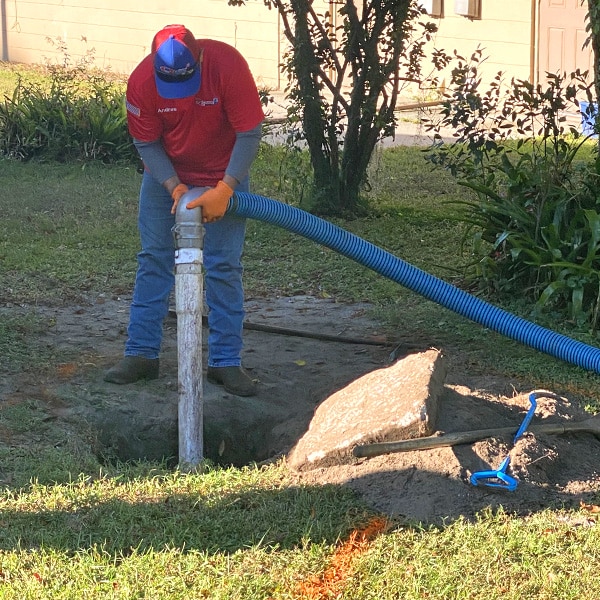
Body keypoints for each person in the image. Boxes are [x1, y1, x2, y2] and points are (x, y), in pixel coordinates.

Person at [104, 24, 264, 396]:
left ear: (200, 59)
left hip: (224, 176)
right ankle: (141, 354)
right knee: (154, 259)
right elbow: (146, 142)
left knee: (224, 265)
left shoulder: (227, 66)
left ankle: (225, 363)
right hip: (168, 178)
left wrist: (225, 189)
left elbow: (249, 133)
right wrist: (174, 186)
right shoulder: (142, 82)